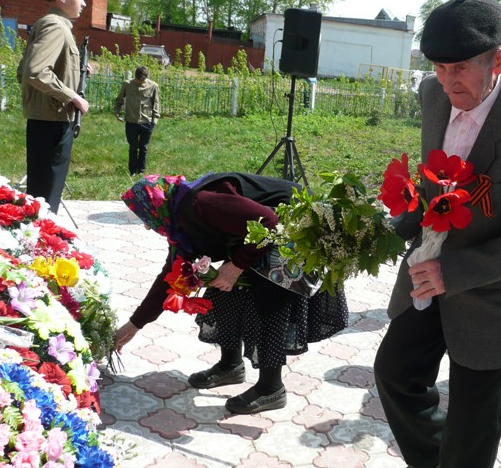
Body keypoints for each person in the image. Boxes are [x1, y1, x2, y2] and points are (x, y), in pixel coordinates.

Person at [373, 0, 501, 468]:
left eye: (459, 68)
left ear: (498, 60)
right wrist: (389, 222)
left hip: (489, 292)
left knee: (473, 420)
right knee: (395, 374)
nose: (446, 81)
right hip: (424, 278)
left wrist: (453, 271)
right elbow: (431, 185)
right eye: (437, 67)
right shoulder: (432, 95)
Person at [113, 172, 348, 414]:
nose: (146, 224)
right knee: (223, 289)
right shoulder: (180, 223)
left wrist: (236, 266)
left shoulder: (201, 203)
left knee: (269, 301)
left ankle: (271, 389)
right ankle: (230, 366)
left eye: (144, 215)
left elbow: (268, 220)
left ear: (156, 205)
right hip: (261, 235)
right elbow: (169, 276)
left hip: (294, 227)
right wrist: (134, 325)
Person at [15, 0, 90, 214]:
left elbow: (23, 71)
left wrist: (75, 70)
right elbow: (36, 72)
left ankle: (38, 247)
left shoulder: (46, 23)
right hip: (53, 123)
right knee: (46, 202)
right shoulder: (56, 26)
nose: (83, 4)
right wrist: (74, 98)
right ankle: (43, 250)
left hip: (44, 121)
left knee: (40, 198)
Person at [114, 65, 160, 174]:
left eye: (142, 80)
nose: (139, 82)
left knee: (143, 148)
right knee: (133, 147)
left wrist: (154, 121)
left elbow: (156, 103)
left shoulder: (153, 86)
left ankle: (141, 171)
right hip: (131, 122)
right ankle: (132, 171)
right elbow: (119, 99)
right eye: (137, 79)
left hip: (147, 122)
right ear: (135, 77)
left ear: (146, 78)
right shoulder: (127, 84)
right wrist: (117, 112)